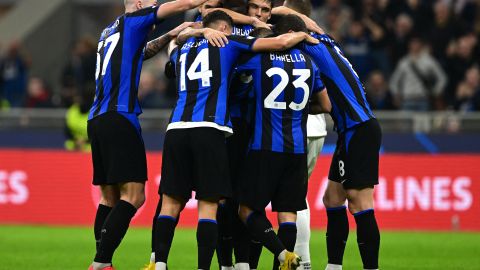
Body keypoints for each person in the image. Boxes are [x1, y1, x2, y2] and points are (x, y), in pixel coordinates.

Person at [152, 10, 318, 270]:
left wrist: (194, 31)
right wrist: (303, 34)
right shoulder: (228, 43)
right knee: (208, 205)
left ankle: (158, 264)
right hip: (210, 128)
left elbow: (174, 43)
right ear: (224, 29)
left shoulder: (182, 51)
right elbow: (279, 43)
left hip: (175, 129)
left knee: (170, 203)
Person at [86, 0, 211, 269]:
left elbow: (140, 53)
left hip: (97, 119)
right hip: (120, 116)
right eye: (154, 2)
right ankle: (100, 263)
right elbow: (186, 3)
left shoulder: (109, 31)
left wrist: (170, 35)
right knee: (134, 196)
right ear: (140, 4)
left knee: (109, 198)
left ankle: (103, 263)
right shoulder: (135, 19)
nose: (157, 6)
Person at [281, 17, 383, 270]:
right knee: (332, 199)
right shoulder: (324, 41)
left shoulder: (306, 45)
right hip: (350, 130)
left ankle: (372, 267)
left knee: (360, 203)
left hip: (358, 130)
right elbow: (301, 17)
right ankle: (334, 266)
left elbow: (288, 31)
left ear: (295, 34)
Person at [235, 15, 331, 270]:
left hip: (264, 147)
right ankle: (285, 264)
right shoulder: (310, 64)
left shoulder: (261, 59)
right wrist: (299, 111)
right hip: (296, 149)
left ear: (284, 35)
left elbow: (236, 79)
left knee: (246, 211)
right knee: (288, 214)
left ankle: (282, 255)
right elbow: (326, 105)